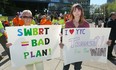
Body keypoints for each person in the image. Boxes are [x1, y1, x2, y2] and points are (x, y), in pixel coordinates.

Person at [60, 3, 89, 70]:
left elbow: (88, 38)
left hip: (80, 50)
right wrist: (61, 41)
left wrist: (104, 42)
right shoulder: (67, 23)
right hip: (68, 49)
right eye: (74, 10)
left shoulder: (86, 24)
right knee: (65, 67)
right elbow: (65, 36)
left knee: (77, 67)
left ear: (81, 12)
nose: (77, 12)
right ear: (72, 12)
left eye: (79, 10)